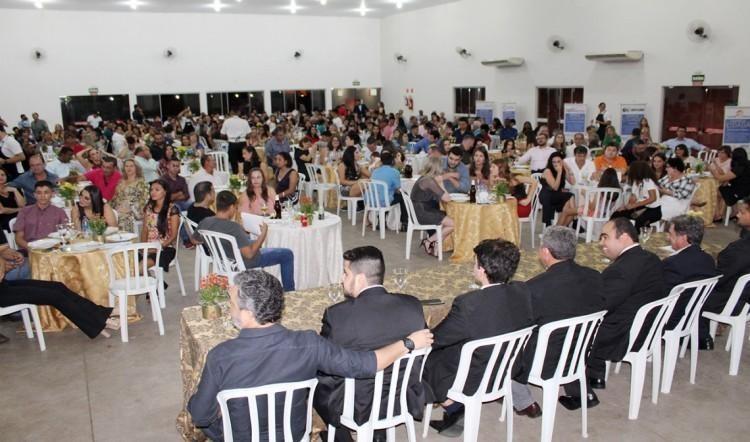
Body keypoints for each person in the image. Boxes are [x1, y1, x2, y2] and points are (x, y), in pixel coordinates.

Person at [187, 269, 433, 441]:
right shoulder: (309, 343)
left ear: (248, 313)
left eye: (231, 303)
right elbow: (367, 364)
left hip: (240, 437)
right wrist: (408, 342)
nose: (229, 308)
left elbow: (200, 416)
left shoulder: (221, 355)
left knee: (199, 407)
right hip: (294, 434)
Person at [314, 246, 426, 442]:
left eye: (345, 273)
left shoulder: (337, 315)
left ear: (360, 279)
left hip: (358, 405)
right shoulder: (413, 305)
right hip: (401, 396)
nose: (341, 279)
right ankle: (378, 434)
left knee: (314, 381)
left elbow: (325, 361)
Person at [424, 239, 534, 436]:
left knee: (425, 358)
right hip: (507, 368)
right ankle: (453, 407)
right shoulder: (522, 291)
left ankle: (453, 406)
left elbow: (437, 339)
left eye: (474, 262)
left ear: (482, 269)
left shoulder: (468, 304)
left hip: (475, 376)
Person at [512, 227, 605, 412]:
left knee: (503, 340)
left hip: (545, 360)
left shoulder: (534, 287)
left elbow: (519, 325)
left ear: (546, 252)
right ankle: (582, 391)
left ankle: (523, 401)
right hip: (581, 350)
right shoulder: (594, 276)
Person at [585, 218, 664, 392]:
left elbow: (601, 305)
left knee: (570, 321)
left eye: (605, 237)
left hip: (623, 334)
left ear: (624, 237)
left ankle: (581, 385)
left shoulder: (621, 269)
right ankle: (596, 374)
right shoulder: (652, 258)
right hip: (648, 326)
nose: (601, 243)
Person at [0, 244, 119, 343]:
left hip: (4, 286)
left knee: (57, 286)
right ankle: (98, 322)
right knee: (54, 296)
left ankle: (100, 315)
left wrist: (6, 260)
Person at [193, 191, 296, 291]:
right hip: (241, 262)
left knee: (251, 241)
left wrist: (214, 241)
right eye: (236, 208)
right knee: (287, 254)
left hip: (223, 261)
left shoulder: (205, 222)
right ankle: (289, 292)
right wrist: (263, 234)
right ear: (232, 207)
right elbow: (249, 255)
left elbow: (194, 240)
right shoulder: (233, 227)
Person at [698, 198, 750, 349]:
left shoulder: (741, 249)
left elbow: (719, 277)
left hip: (734, 300)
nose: (737, 215)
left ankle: (701, 337)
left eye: (742, 212)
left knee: (690, 291)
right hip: (745, 296)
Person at [661, 215, 718, 330]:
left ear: (683, 237)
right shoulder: (709, 259)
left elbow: (661, 294)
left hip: (673, 320)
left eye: (671, 234)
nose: (668, 238)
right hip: (695, 315)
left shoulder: (673, 263)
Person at [411, 157, 454, 257]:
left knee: (446, 221)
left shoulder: (424, 178)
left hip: (420, 210)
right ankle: (429, 241)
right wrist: (441, 182)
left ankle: (435, 245)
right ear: (437, 168)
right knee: (452, 224)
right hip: (422, 213)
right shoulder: (429, 181)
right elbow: (447, 198)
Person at [13, 180, 69, 250]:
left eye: (46, 192)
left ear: (52, 194)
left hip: (53, 249)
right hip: (29, 248)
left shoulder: (59, 212)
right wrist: (31, 248)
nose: (42, 196)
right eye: (39, 193)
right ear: (34, 195)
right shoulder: (25, 211)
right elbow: (18, 238)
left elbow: (66, 235)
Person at [141, 179, 180, 272]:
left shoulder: (172, 209)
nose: (153, 192)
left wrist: (158, 247)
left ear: (165, 192)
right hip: (148, 246)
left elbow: (173, 235)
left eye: (157, 190)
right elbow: (145, 230)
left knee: (139, 267)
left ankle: (152, 281)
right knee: (129, 263)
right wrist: (143, 247)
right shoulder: (148, 208)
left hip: (165, 248)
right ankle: (152, 281)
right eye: (151, 190)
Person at [610, 161, 662, 230]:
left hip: (653, 210)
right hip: (641, 207)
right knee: (617, 214)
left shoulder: (648, 181)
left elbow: (653, 198)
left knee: (637, 222)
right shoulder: (635, 182)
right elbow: (633, 198)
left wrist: (634, 205)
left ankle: (634, 235)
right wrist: (625, 207)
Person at [709, 147, 750, 220]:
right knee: (723, 188)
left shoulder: (739, 167)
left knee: (716, 191)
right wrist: (728, 181)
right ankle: (734, 212)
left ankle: (718, 216)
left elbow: (720, 178)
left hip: (741, 191)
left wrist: (712, 171)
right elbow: (738, 178)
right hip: (746, 189)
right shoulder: (747, 163)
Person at [111, 159, 149, 233]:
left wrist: (131, 208)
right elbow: (115, 197)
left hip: (132, 212)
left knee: (122, 219)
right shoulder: (120, 181)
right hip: (118, 209)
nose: (129, 168)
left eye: (131, 166)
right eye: (126, 166)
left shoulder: (141, 183)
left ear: (136, 168)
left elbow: (145, 200)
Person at [539, 152, 574, 227]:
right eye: (554, 162)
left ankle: (559, 228)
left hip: (557, 194)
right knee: (570, 197)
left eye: (558, 161)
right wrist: (559, 172)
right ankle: (568, 223)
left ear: (562, 162)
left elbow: (572, 182)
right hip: (547, 195)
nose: (556, 164)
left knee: (570, 201)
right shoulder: (548, 171)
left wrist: (569, 169)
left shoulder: (562, 169)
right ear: (550, 162)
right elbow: (555, 187)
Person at [221, 110, 252, 174]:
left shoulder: (227, 121)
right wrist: (243, 136)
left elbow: (222, 134)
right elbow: (249, 134)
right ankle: (245, 175)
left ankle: (236, 176)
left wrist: (229, 137)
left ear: (231, 112)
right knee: (244, 161)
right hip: (242, 143)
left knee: (233, 162)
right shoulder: (244, 121)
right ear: (239, 112)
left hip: (232, 143)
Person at [0, 168, 25, 243]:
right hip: (4, 220)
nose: (0, 177)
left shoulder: (13, 187)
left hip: (19, 216)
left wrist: (15, 190)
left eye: (2, 175)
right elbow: (2, 210)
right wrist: (19, 209)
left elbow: (22, 205)